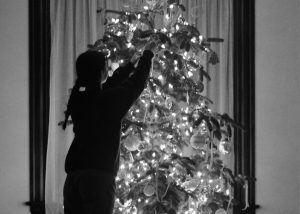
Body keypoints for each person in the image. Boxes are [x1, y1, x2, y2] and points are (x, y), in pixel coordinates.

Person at [62, 41, 157, 214]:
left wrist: (129, 66)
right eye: (106, 67)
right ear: (100, 72)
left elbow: (108, 86)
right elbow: (136, 83)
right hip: (97, 181)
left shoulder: (80, 97)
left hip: (73, 178)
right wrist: (148, 55)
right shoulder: (108, 100)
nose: (109, 71)